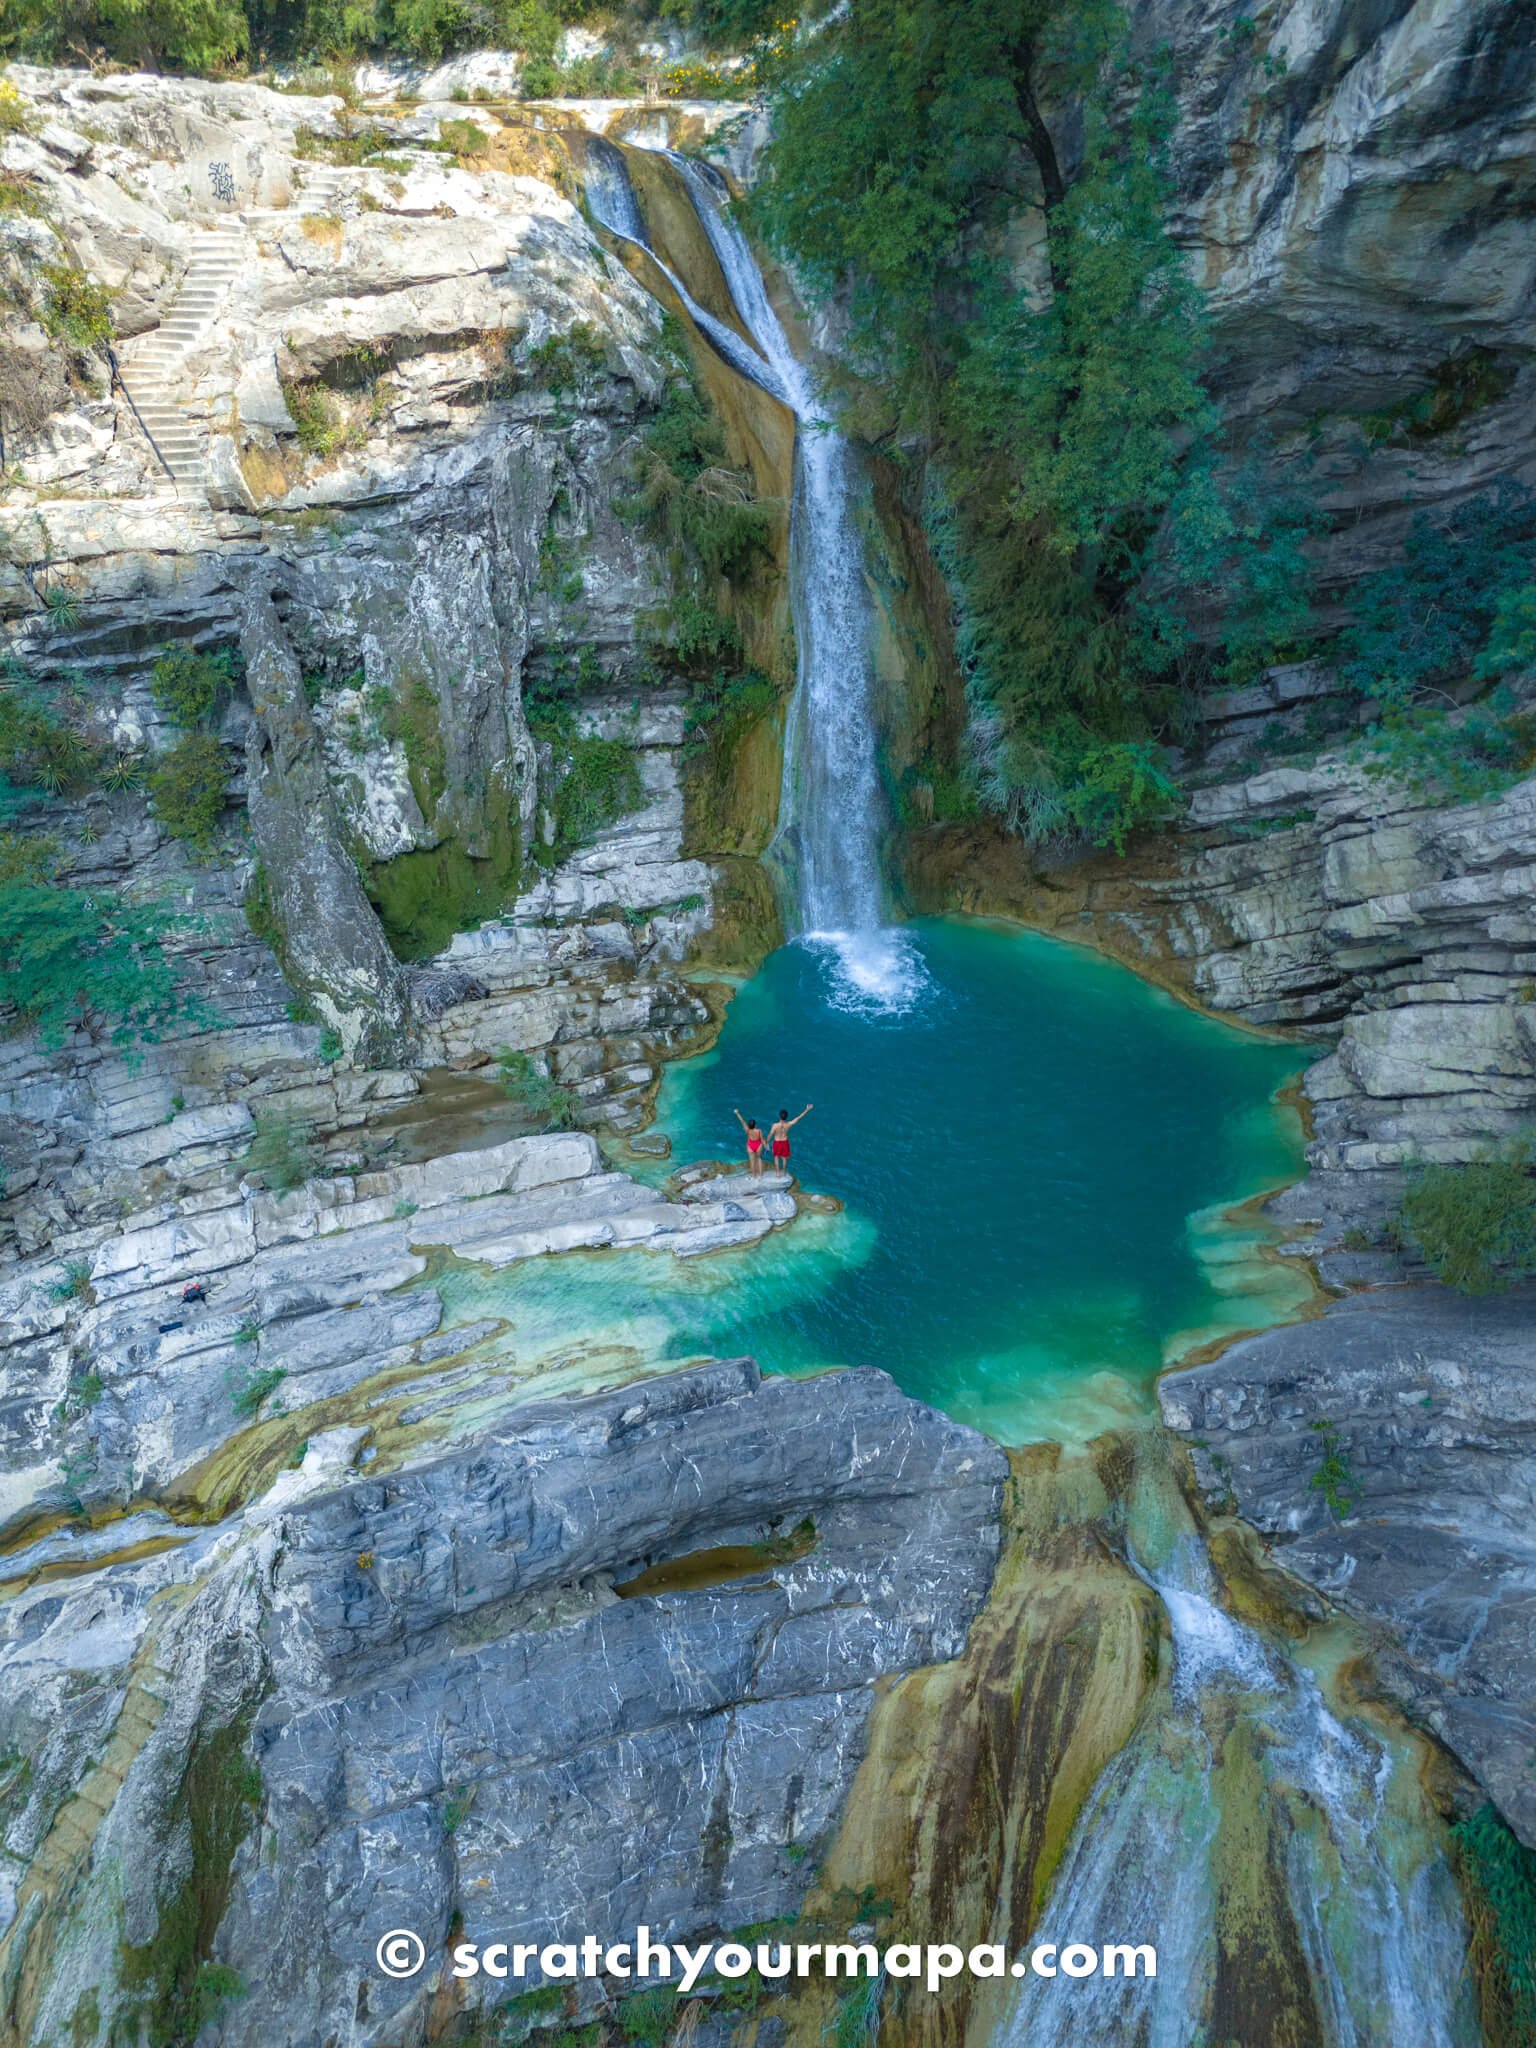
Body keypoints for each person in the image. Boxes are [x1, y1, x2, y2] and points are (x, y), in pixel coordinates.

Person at [769, 1104, 812, 1171]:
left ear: (779, 1116)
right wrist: (807, 1110)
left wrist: (766, 1142)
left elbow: (770, 1134)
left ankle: (777, 1173)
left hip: (777, 1142)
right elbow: (799, 1117)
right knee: (784, 1158)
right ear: (786, 1117)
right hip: (785, 1142)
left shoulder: (775, 1125)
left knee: (776, 1157)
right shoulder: (789, 1124)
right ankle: (784, 1172)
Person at [732, 1109, 765, 1175]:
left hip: (750, 1145)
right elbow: (762, 1139)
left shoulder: (747, 1130)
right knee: (759, 1159)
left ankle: (754, 1176)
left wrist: (737, 1113)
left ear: (749, 1125)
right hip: (758, 1145)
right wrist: (766, 1145)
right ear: (755, 1125)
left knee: (752, 1161)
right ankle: (761, 1175)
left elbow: (742, 1121)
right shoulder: (759, 1130)